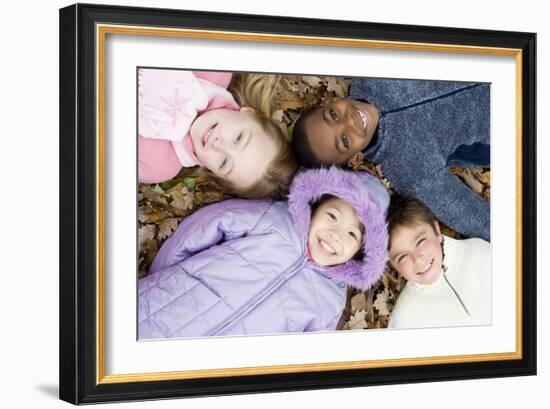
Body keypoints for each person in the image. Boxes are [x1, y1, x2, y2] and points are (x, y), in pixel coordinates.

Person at [138, 167, 389, 339]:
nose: (336, 233)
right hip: (167, 309)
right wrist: (165, 278)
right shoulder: (276, 219)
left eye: (352, 235)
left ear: (360, 252)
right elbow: (212, 223)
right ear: (316, 208)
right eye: (333, 216)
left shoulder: (330, 302)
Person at [290, 77, 490, 240]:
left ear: (328, 103)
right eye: (344, 140)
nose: (349, 121)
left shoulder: (372, 71)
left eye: (333, 115)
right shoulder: (408, 170)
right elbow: (472, 216)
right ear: (355, 160)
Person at [139, 69, 298, 199]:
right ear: (249, 113)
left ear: (212, 172)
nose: (218, 145)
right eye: (238, 138)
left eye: (223, 163)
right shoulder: (213, 70)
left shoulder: (158, 165)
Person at [385, 195, 491, 329]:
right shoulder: (404, 319)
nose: (417, 258)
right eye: (402, 257)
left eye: (420, 241)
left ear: (437, 231)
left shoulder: (478, 251)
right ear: (393, 266)